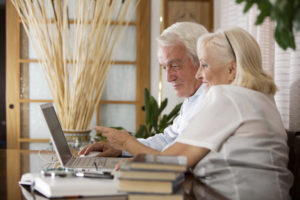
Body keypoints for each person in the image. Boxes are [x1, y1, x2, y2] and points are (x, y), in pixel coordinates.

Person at [95, 27, 293, 200]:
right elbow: (175, 153)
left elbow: (168, 164)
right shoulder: (259, 97)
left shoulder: (228, 96)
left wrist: (126, 142)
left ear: (232, 69)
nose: (199, 74)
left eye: (204, 65)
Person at [79, 22, 208, 157]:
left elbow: (174, 159)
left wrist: (127, 143)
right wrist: (121, 148)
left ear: (200, 61)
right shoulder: (193, 99)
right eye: (164, 68)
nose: (169, 78)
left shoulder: (209, 101)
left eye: (175, 66)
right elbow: (166, 140)